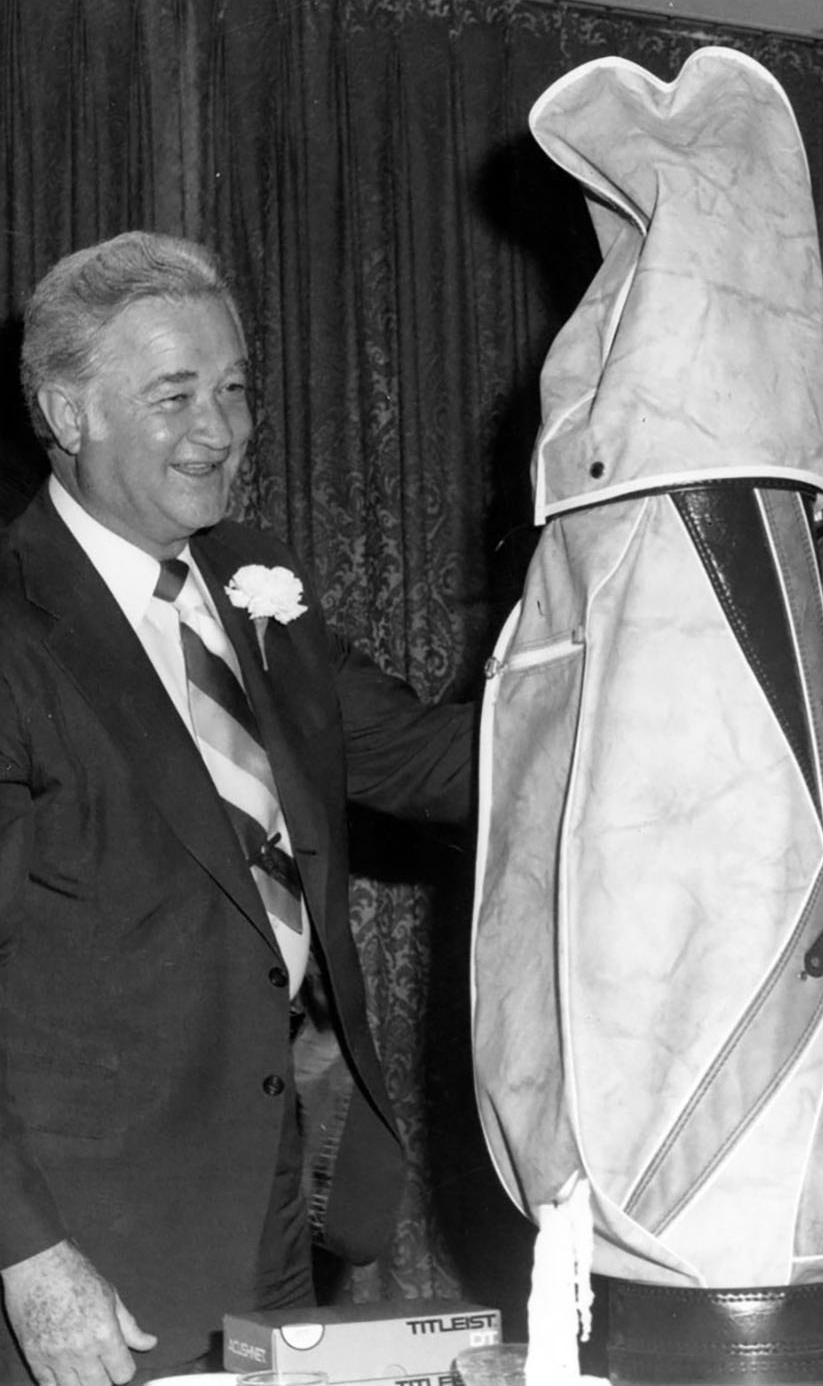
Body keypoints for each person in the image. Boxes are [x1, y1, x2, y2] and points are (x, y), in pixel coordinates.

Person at [0, 233, 476, 1385]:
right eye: (175, 396)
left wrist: (649, 672)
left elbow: (436, 759)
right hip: (88, 1235)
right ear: (69, 411)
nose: (221, 428)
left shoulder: (259, 582)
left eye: (233, 388)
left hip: (278, 1200)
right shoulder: (11, 622)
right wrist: (25, 1251)